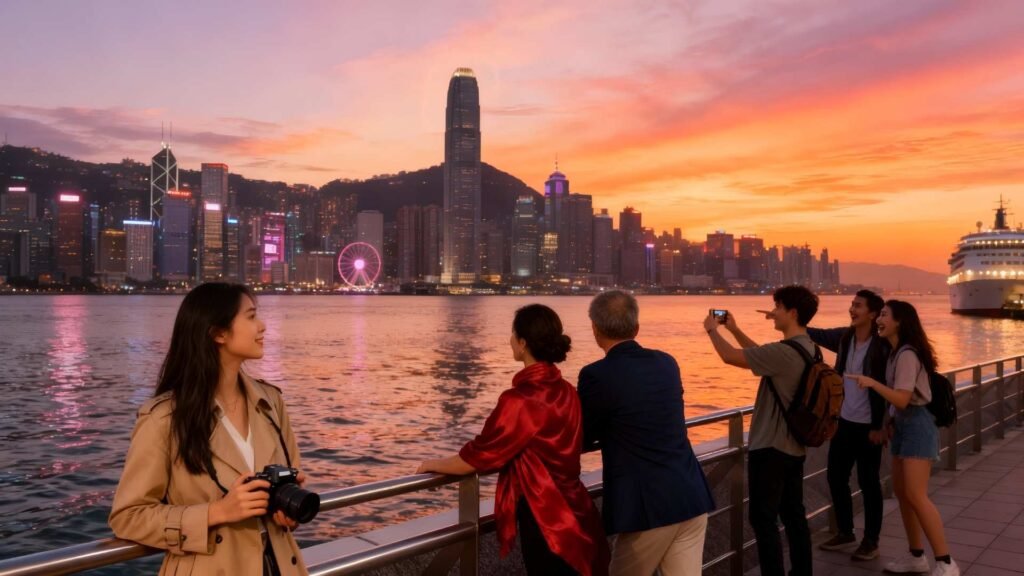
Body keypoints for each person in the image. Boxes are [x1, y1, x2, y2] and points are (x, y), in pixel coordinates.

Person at [109, 283, 310, 576]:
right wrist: (217, 512)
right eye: (251, 316)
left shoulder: (271, 403)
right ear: (218, 333)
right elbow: (128, 517)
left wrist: (287, 508)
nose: (263, 326)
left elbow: (289, 476)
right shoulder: (164, 418)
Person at [417, 304, 609, 576]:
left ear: (523, 343)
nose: (509, 340)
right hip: (579, 507)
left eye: (512, 335)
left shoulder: (519, 400)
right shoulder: (567, 391)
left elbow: (479, 456)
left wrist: (431, 464)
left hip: (546, 517)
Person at [579, 290, 714, 576]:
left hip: (649, 509)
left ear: (595, 328)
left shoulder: (596, 375)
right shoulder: (667, 362)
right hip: (690, 495)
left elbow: (584, 434)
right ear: (636, 327)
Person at [704, 285, 818, 576]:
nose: (773, 312)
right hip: (794, 446)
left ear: (792, 312)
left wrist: (712, 331)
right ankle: (802, 571)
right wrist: (735, 329)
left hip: (771, 448)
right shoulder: (809, 348)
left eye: (777, 306)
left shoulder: (784, 352)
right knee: (793, 514)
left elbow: (731, 357)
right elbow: (763, 357)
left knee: (763, 518)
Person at [852, 301, 959, 576]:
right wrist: (886, 424)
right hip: (902, 424)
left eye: (884, 315)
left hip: (918, 424)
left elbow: (901, 397)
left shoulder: (908, 355)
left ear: (899, 321)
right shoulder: (894, 354)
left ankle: (946, 562)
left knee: (916, 495)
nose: (879, 319)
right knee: (903, 494)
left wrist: (872, 383)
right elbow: (898, 401)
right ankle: (916, 556)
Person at [807, 290, 889, 560]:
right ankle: (845, 532)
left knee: (869, 483)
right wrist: (790, 321)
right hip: (844, 423)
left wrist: (883, 425)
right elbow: (814, 334)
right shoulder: (845, 337)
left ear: (874, 314)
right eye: (852, 305)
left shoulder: (883, 345)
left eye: (858, 306)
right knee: (836, 478)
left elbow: (891, 386)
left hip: (870, 426)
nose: (852, 309)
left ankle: (871, 541)